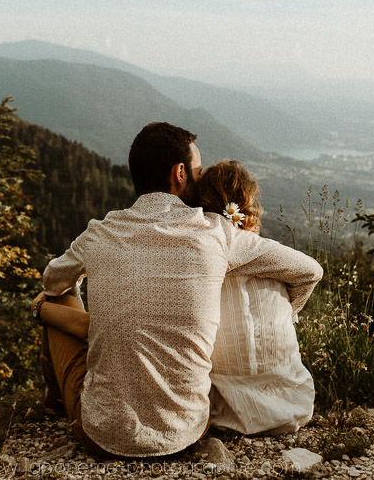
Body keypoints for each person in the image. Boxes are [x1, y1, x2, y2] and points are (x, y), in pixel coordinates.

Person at [33, 122, 323, 458]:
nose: (200, 181)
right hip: (185, 433)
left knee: (54, 297)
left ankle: (53, 402)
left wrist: (80, 284)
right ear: (180, 173)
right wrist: (288, 314)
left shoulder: (99, 233)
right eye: (198, 172)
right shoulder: (217, 233)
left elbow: (52, 279)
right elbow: (308, 270)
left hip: (101, 436)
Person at [195, 160, 316, 435]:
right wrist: (289, 311)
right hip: (291, 405)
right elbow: (312, 271)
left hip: (222, 411)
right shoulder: (261, 251)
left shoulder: (196, 252)